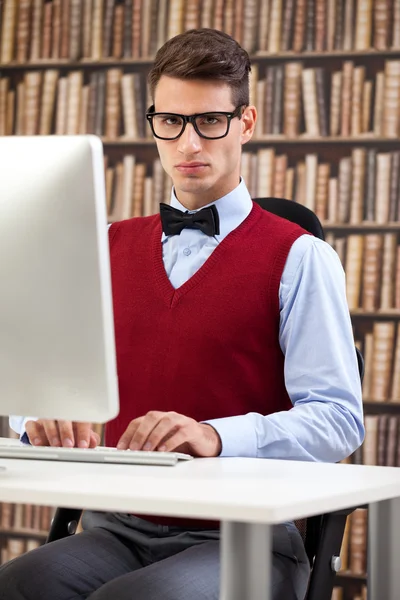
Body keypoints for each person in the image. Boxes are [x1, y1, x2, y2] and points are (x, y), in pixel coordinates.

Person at [0, 28, 364, 600]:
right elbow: (34, 383)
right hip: (117, 523)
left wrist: (213, 436)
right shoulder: (98, 248)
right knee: (17, 583)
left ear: (246, 123)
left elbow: (338, 419)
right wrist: (36, 415)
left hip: (245, 535)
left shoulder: (302, 257)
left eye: (209, 121)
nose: (189, 144)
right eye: (171, 122)